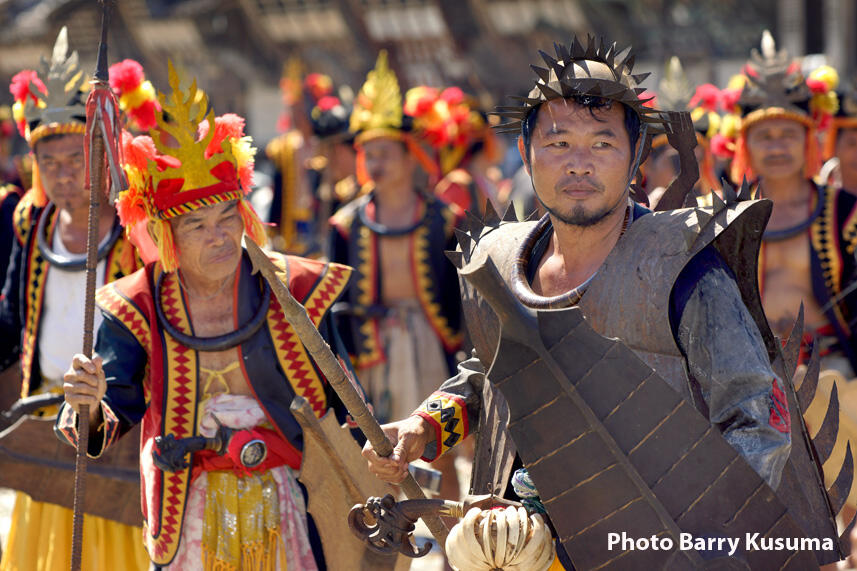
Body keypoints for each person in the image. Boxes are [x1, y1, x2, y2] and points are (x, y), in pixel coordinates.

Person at [361, 36, 839, 568]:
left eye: (602, 144)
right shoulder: (499, 262)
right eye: (559, 143)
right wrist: (423, 427)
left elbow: (756, 417)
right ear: (526, 152)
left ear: (635, 157)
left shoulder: (678, 266)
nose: (579, 165)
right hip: (514, 546)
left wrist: (705, 545)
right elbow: (489, 377)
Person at [57, 64, 361, 570]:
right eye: (197, 225)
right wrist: (89, 404)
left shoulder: (295, 289)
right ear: (166, 234)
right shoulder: (135, 306)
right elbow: (113, 412)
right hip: (187, 509)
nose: (220, 236)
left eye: (227, 218)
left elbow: (344, 399)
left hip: (294, 500)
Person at [0, 29, 148, 571]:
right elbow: (11, 320)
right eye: (50, 164)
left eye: (74, 159)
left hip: (117, 423)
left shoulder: (140, 231)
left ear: (102, 154)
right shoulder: (29, 222)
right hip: (45, 421)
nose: (63, 176)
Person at [329, 51, 466, 507]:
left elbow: (458, 295)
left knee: (437, 450)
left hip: (428, 341)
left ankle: (449, 544)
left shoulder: (444, 219)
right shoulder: (345, 224)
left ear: (410, 157)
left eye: (385, 152)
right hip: (372, 348)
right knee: (375, 453)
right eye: (368, 153)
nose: (375, 162)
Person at [721, 31, 857, 377]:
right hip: (749, 370)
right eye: (765, 137)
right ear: (745, 144)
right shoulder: (723, 217)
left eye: (788, 135)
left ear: (809, 140)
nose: (777, 148)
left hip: (832, 367)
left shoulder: (846, 213)